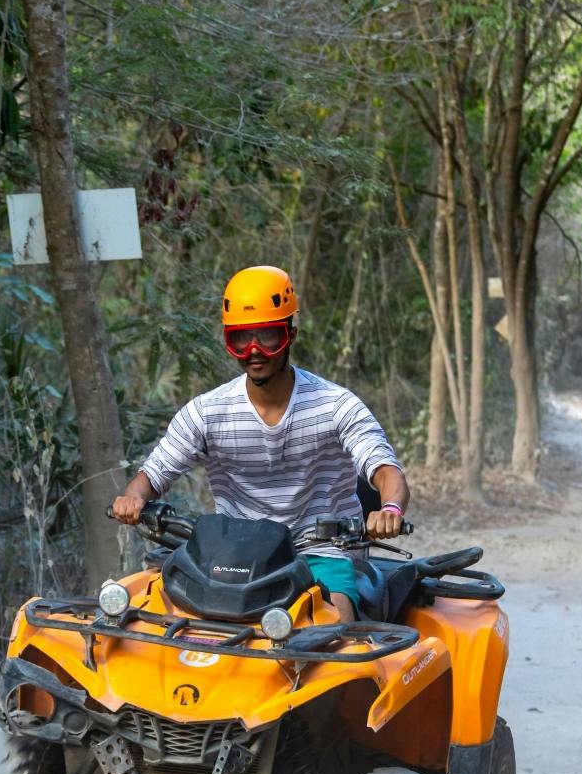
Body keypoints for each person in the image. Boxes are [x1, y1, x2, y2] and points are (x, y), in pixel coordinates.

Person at [110, 265, 408, 621]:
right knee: (163, 620)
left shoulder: (336, 406)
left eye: (267, 336)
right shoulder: (207, 412)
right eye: (241, 338)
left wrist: (389, 510)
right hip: (230, 557)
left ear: (291, 334)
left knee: (334, 631)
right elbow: (152, 475)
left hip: (319, 552)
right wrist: (133, 499)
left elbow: (386, 471)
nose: (254, 350)